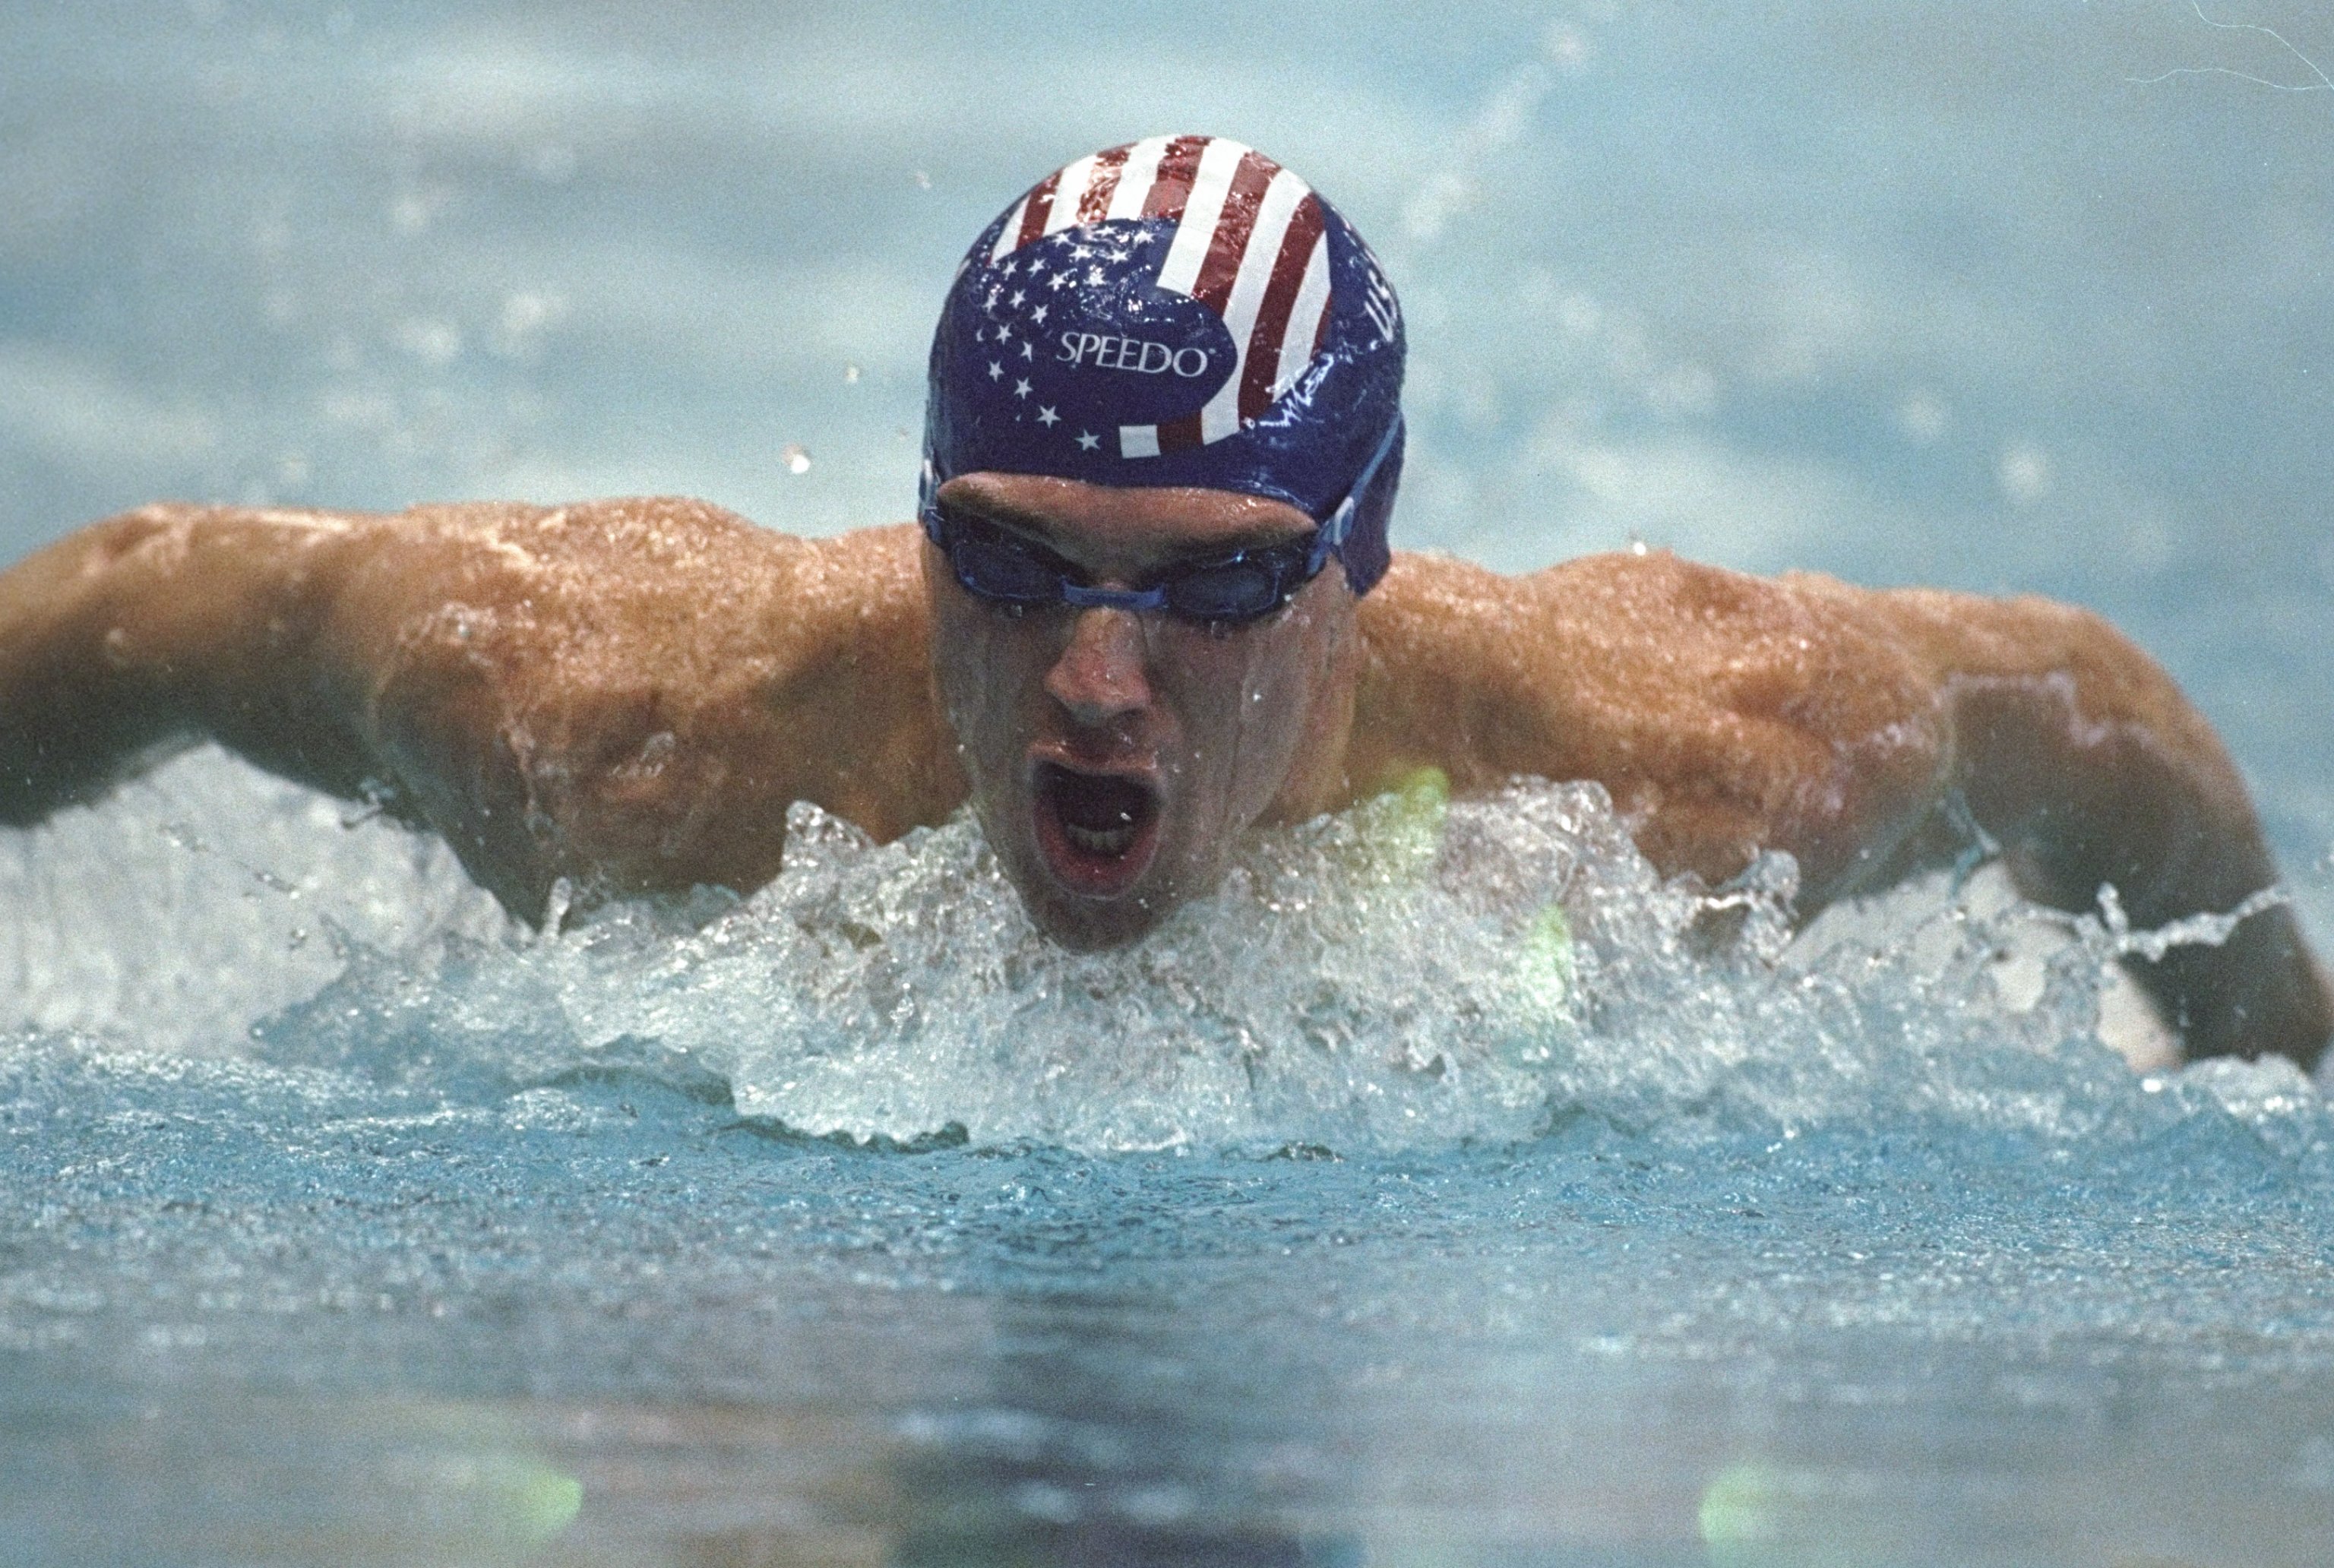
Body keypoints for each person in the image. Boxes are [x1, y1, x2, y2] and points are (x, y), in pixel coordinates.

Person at [0, 136, 2325, 1067]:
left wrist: (2282, 1058)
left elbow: (2079, 702)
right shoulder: (636, 733)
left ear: (1359, 560)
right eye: (1009, 559)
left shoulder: (1685, 773)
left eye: (1210, 591)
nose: (1095, 683)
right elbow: (170, 597)